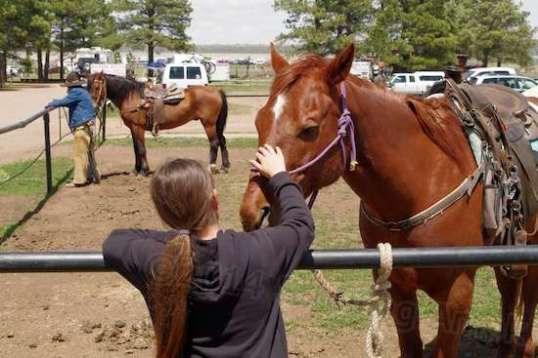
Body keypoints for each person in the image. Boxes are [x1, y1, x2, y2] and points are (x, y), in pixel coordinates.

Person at [103, 145, 315, 358]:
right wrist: (280, 175)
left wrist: (181, 237)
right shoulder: (259, 250)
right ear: (215, 200)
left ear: (165, 215)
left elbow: (116, 241)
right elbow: (301, 224)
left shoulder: (159, 261)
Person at [47, 72, 100, 187]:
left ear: (70, 86)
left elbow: (63, 102)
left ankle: (80, 180)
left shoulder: (75, 92)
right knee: (88, 153)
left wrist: (52, 103)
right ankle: (93, 175)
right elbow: (69, 102)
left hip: (82, 127)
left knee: (79, 153)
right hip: (88, 125)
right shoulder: (82, 91)